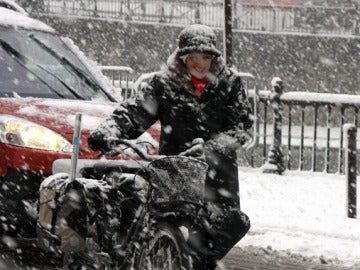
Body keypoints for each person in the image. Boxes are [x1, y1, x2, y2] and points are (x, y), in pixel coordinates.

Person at [88, 24, 253, 270]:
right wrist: (111, 130)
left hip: (217, 173)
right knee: (168, 222)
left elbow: (241, 128)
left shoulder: (229, 83)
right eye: (194, 58)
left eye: (206, 57)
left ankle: (197, 263)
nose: (200, 64)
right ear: (182, 58)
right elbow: (135, 112)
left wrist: (211, 148)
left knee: (229, 223)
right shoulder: (163, 83)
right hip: (176, 167)